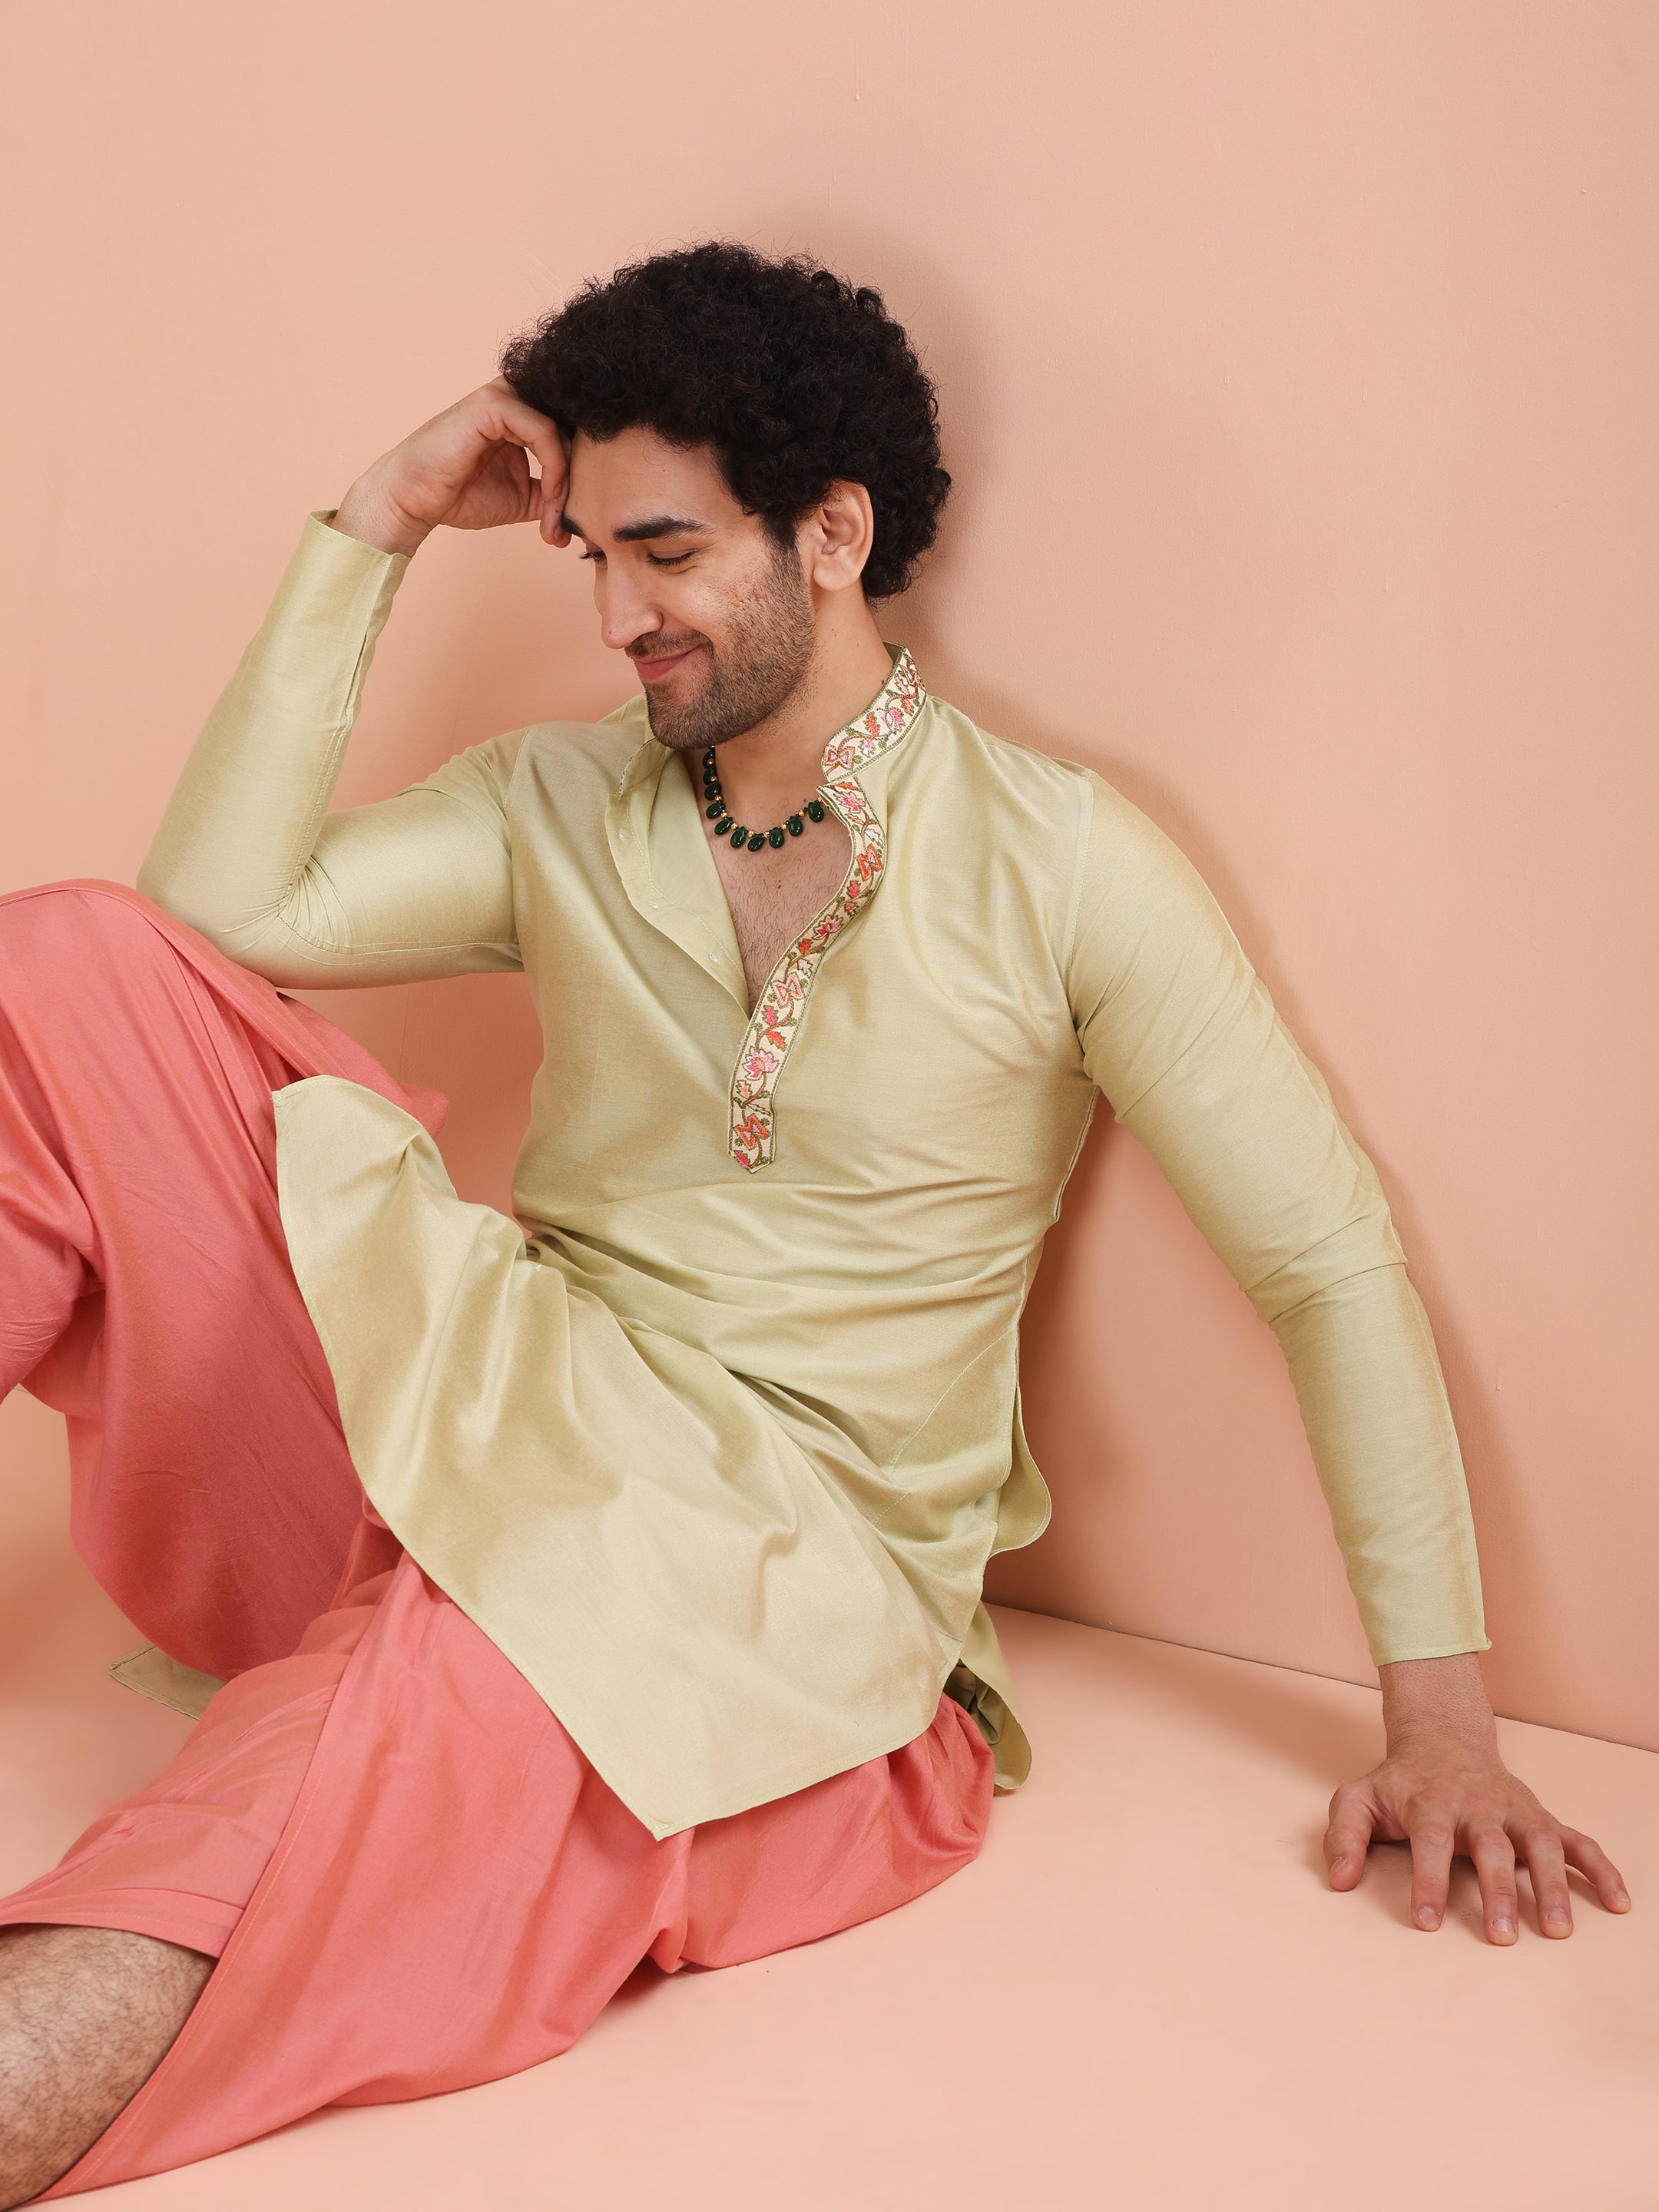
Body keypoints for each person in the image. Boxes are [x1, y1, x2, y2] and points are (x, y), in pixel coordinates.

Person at [0, 242, 1629, 2202]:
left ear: (832, 535)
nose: (618, 614)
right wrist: (377, 525)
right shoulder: (558, 802)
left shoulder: (1064, 862)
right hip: (474, 1435)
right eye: (591, 556)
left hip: (767, 1580)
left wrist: (1443, 1721)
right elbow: (213, 917)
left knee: (339, 1783)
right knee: (64, 960)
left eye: (668, 553)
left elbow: (1325, 1264)